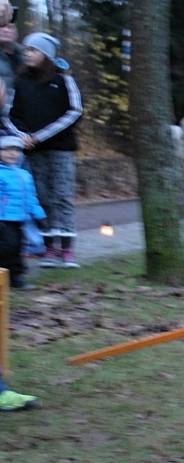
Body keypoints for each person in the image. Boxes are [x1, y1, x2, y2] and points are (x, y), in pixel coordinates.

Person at [4, 32, 82, 269]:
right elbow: (9, 114)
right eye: (26, 50)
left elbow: (74, 112)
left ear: (46, 55)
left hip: (60, 149)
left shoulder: (63, 80)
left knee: (62, 196)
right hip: (31, 149)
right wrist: (22, 137)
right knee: (43, 197)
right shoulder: (20, 82)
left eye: (33, 50)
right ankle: (49, 247)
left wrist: (40, 136)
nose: (27, 54)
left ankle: (67, 250)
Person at [0, 135, 45, 288]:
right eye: (7, 149)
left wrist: (38, 213)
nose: (12, 153)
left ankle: (16, 278)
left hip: (20, 219)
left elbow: (31, 196)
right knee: (7, 248)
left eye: (16, 150)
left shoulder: (24, 175)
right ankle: (5, 277)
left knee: (18, 248)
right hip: (3, 219)